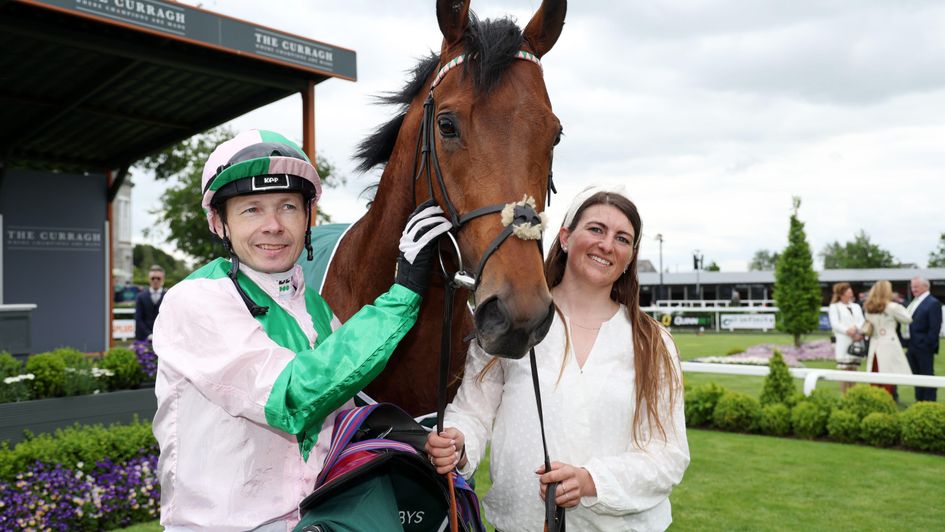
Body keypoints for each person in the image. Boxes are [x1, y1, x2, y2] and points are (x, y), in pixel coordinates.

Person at [151, 129, 451, 531]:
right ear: (218, 222)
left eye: (288, 207)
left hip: (311, 519)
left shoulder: (313, 306)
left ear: (308, 217)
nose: (273, 226)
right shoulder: (196, 301)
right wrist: (402, 294)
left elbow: (344, 409)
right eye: (251, 209)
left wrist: (418, 440)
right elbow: (291, 398)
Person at [426, 185, 689, 531]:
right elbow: (472, 413)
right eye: (596, 229)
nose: (607, 245)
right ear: (565, 237)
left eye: (622, 239)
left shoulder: (653, 342)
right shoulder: (511, 321)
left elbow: (667, 455)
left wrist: (591, 481)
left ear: (629, 258)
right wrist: (458, 443)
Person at [863, 280, 912, 398]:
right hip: (889, 343)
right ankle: (888, 401)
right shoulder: (892, 306)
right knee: (888, 375)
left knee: (875, 375)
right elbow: (908, 319)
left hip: (875, 342)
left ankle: (875, 401)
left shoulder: (869, 306)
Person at [903, 276, 942, 402]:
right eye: (912, 286)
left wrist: (926, 345)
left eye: (916, 286)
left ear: (925, 286)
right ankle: (919, 400)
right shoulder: (914, 302)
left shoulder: (933, 303)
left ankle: (930, 402)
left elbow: (934, 328)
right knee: (916, 376)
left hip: (924, 347)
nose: (913, 289)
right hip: (912, 346)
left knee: (927, 375)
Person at [827, 282, 865, 394]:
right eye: (848, 290)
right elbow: (835, 323)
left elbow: (861, 321)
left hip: (856, 342)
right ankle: (845, 396)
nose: (851, 292)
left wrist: (856, 329)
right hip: (843, 342)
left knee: (854, 370)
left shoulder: (856, 306)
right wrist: (848, 331)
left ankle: (853, 396)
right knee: (844, 371)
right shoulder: (835, 307)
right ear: (842, 293)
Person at [134, 265, 166, 340]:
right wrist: (148, 334)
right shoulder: (140, 297)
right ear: (149, 279)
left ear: (163, 279)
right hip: (144, 338)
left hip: (164, 338)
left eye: (158, 278)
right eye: (153, 278)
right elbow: (138, 318)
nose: (155, 280)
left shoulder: (168, 296)